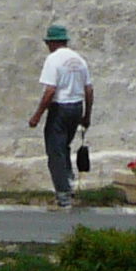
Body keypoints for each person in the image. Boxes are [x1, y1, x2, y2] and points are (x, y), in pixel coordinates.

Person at [25, 21, 93, 208]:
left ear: (53, 43)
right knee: (64, 147)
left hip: (60, 108)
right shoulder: (79, 60)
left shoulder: (53, 60)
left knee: (55, 151)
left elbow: (50, 91)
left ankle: (63, 196)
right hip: (77, 107)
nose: (48, 47)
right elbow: (89, 90)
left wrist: (37, 115)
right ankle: (68, 184)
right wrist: (87, 115)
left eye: (48, 43)